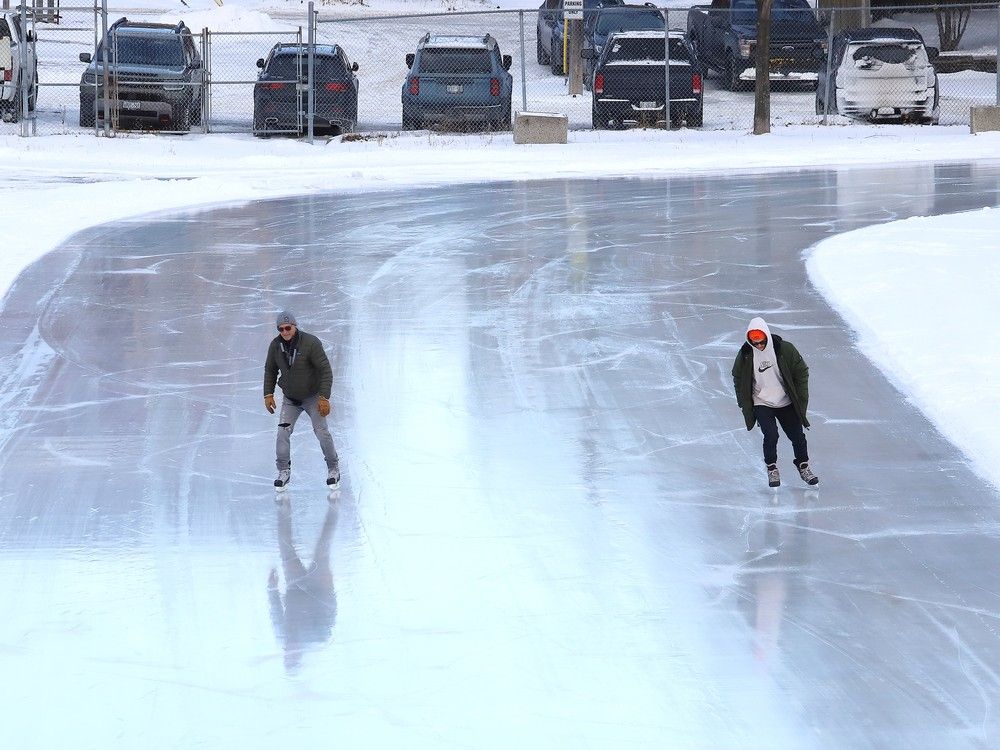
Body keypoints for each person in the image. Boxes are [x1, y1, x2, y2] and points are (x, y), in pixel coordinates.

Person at [732, 317, 818, 488]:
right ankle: (772, 468)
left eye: (761, 342)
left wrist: (800, 399)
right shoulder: (746, 354)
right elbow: (737, 376)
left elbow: (801, 372)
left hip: (785, 401)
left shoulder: (784, 349)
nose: (758, 346)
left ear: (767, 337)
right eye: (754, 343)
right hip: (761, 401)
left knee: (797, 436)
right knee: (771, 435)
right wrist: (743, 401)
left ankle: (803, 466)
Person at [264, 311, 341, 490]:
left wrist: (324, 397)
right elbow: (270, 370)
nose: (285, 332)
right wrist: (268, 394)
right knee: (282, 433)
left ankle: (333, 468)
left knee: (321, 431)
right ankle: (283, 471)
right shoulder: (275, 346)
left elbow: (325, 370)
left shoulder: (310, 343)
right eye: (281, 329)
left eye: (288, 328)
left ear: (294, 325)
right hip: (290, 399)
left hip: (313, 397)